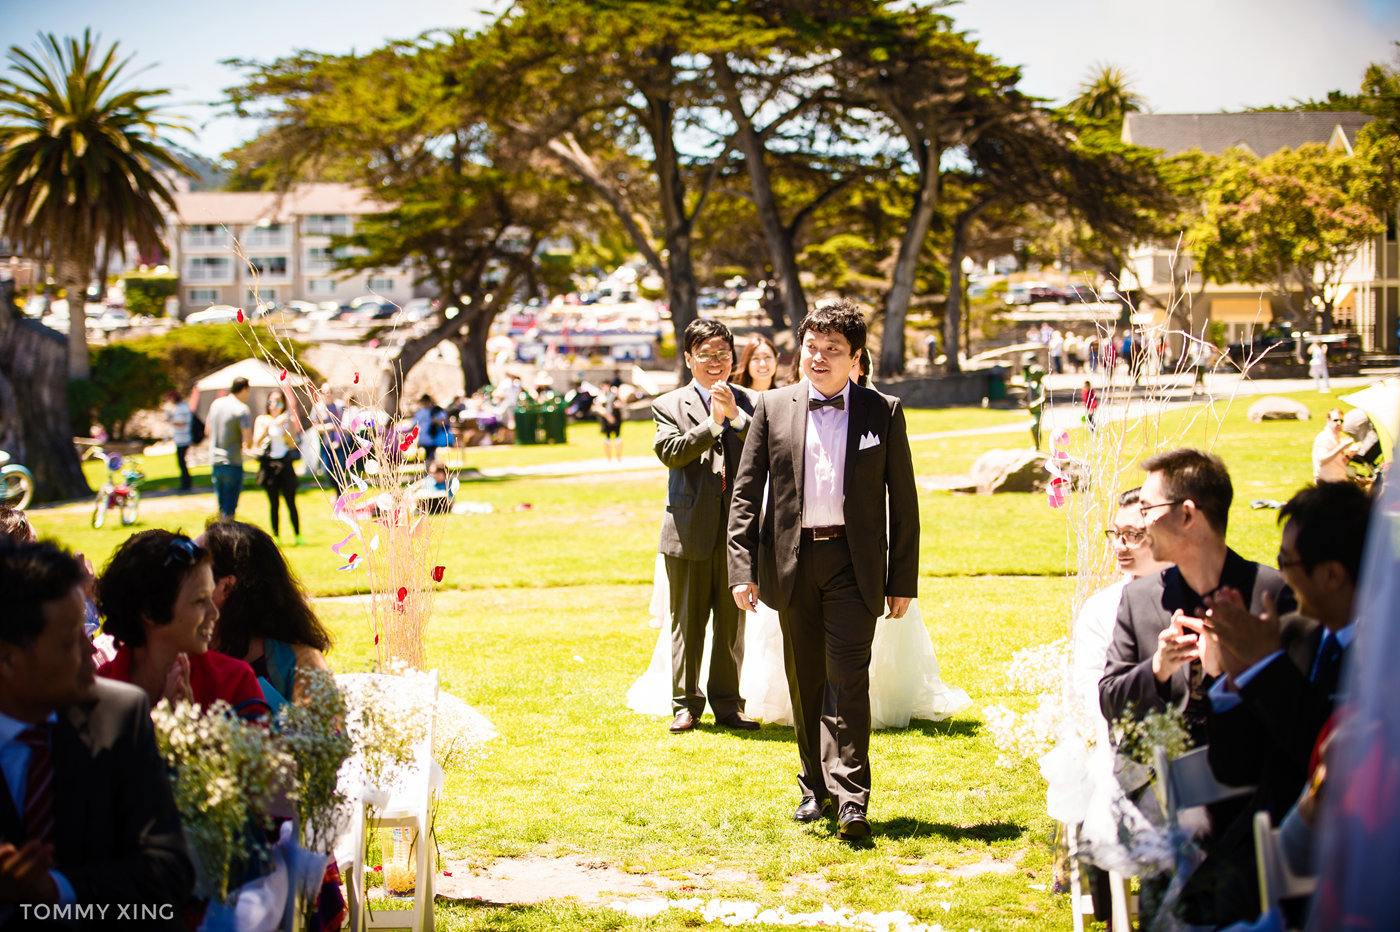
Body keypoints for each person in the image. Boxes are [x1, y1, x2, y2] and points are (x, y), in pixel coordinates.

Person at [729, 300, 919, 840]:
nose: (818, 357)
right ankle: (814, 786)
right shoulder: (772, 407)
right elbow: (746, 497)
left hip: (854, 566)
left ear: (855, 357)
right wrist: (743, 568)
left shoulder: (883, 410)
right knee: (805, 679)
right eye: (811, 347)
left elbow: (902, 502)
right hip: (790, 563)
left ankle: (851, 797)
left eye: (832, 349)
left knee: (847, 680)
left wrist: (901, 580)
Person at [1097, 449, 1294, 926]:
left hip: (1254, 781)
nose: (1140, 522)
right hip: (1159, 779)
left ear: (1188, 515)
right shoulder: (1141, 599)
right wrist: (1159, 668)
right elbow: (1110, 698)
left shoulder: (1269, 593)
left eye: (1148, 509)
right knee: (1183, 832)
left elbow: (1295, 713)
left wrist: (1234, 671)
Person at [1197, 481, 1372, 925]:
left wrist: (1264, 667)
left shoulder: (1382, 662)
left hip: (1335, 879)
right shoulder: (1293, 634)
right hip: (1253, 862)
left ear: (1332, 575)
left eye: (1285, 562)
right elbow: (1235, 768)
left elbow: (1328, 760)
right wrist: (1237, 678)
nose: (1280, 575)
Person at [0, 540, 193, 921]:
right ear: (7, 657)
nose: (90, 651)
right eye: (69, 640)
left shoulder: (119, 715)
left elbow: (169, 872)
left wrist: (56, 891)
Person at [651, 318, 758, 734]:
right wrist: (712, 424)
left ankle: (729, 704)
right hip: (688, 528)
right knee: (687, 622)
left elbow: (767, 452)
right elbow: (671, 452)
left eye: (723, 354)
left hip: (738, 532)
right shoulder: (668, 404)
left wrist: (735, 417)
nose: (716, 362)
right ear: (688, 358)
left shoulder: (751, 401)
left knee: (733, 624)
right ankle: (686, 703)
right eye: (706, 354)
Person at [94, 530, 268, 721]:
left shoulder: (236, 682)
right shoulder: (98, 690)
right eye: (200, 601)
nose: (214, 613)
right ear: (150, 612)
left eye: (210, 597)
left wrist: (195, 727)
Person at [197, 521, 333, 715]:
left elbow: (324, 738)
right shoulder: (184, 657)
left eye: (195, 568)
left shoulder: (299, 664)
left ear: (226, 586)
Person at [253, 388, 303, 545]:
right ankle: (276, 536)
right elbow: (256, 441)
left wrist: (282, 427)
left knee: (291, 502)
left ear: (283, 404)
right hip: (269, 466)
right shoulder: (262, 419)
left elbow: (292, 444)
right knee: (273, 503)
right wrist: (268, 427)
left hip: (285, 464)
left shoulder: (288, 420)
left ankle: (298, 535)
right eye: (271, 402)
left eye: (278, 402)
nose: (274, 405)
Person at [207, 377, 254, 520]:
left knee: (221, 507)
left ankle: (218, 536)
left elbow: (207, 430)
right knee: (230, 509)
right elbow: (248, 438)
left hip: (215, 461)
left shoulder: (216, 404)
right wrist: (247, 445)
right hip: (232, 461)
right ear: (245, 389)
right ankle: (225, 539)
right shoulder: (241, 409)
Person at [312, 384, 348, 495]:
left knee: (340, 470)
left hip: (340, 442)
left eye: (329, 392)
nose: (327, 394)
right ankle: (336, 490)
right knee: (326, 470)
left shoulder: (340, 406)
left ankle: (339, 494)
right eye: (324, 392)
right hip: (326, 443)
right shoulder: (318, 408)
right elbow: (316, 427)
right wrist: (330, 427)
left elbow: (347, 422)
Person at [1311, 408, 1355, 484]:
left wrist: (1349, 455)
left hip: (1338, 481)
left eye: (1341, 421)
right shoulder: (1324, 437)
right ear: (1328, 421)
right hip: (1326, 482)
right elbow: (1322, 460)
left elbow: (1339, 463)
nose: (1339, 423)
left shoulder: (1339, 438)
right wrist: (1341, 447)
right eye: (1335, 420)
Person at [163, 390, 193, 493]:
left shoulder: (180, 408)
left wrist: (170, 420)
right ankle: (185, 483)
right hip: (182, 438)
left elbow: (180, 423)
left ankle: (186, 484)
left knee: (181, 462)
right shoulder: (182, 406)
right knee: (182, 462)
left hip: (183, 439)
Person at [598, 379, 623, 461]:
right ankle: (608, 458)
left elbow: (620, 402)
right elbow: (599, 407)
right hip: (606, 419)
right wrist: (607, 416)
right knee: (607, 439)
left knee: (618, 438)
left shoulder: (614, 394)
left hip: (616, 417)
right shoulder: (601, 396)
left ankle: (619, 457)